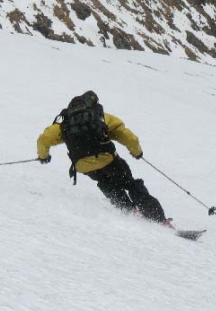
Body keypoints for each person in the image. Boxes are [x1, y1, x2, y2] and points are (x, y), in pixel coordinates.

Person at [36, 91, 169, 225]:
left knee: (108, 184)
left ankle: (130, 212)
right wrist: (136, 152)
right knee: (130, 184)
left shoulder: (65, 124)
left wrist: (44, 156)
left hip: (84, 166)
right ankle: (159, 218)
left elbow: (44, 139)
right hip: (108, 159)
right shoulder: (101, 118)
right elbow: (127, 136)